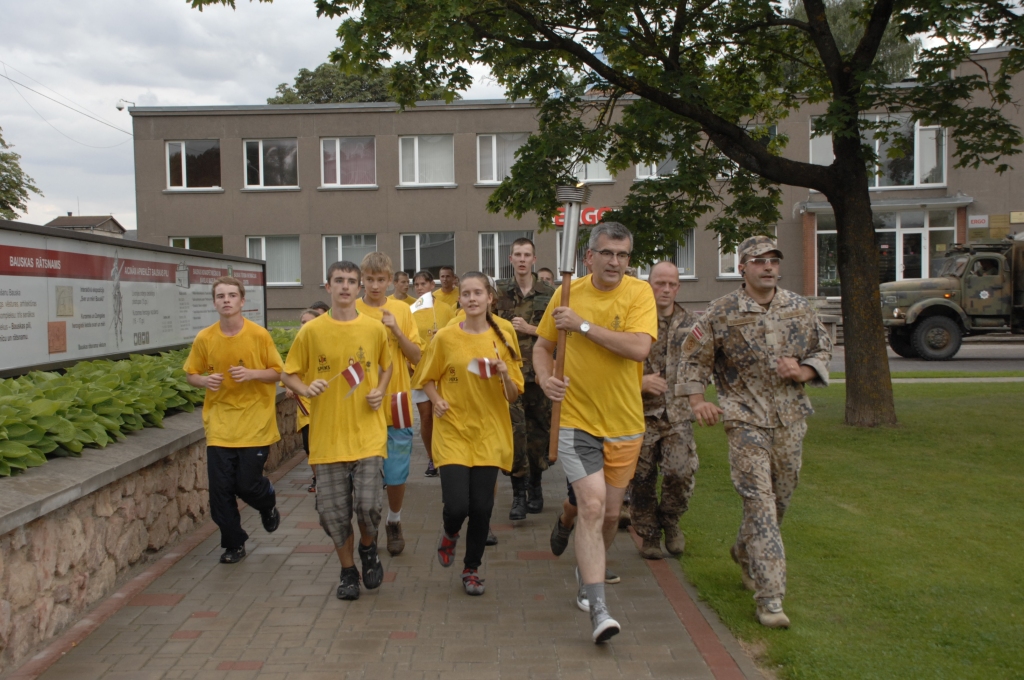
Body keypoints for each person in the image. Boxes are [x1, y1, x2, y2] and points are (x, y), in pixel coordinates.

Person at [681, 235, 832, 629]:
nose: (768, 267)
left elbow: (823, 347)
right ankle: (770, 599)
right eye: (759, 261)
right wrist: (698, 402)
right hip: (744, 419)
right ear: (742, 267)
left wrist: (804, 370)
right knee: (759, 503)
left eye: (773, 260)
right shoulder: (722, 311)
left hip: (790, 419)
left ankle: (743, 551)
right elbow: (693, 361)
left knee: (780, 499)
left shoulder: (799, 308)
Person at [534, 222, 657, 644]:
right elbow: (541, 346)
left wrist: (583, 326)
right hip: (576, 419)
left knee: (608, 515)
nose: (616, 262)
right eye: (608, 253)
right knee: (591, 503)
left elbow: (639, 348)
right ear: (589, 257)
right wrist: (545, 377)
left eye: (623, 255)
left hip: (624, 423)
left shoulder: (639, 294)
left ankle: (582, 558)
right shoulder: (566, 293)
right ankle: (598, 606)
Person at [281, 260, 393, 601]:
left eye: (351, 281)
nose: (345, 286)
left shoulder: (374, 329)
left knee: (369, 507)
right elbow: (288, 374)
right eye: (338, 281)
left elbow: (386, 367)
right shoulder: (311, 332)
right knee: (333, 514)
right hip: (327, 439)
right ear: (328, 287)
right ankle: (348, 572)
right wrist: (304, 388)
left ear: (359, 288)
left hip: (368, 436)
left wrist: (380, 391)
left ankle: (369, 547)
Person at [414, 272, 524, 596]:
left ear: (490, 297)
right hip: (453, 430)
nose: (472, 299)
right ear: (459, 299)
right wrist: (437, 401)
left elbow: (514, 394)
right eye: (466, 294)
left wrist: (504, 373)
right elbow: (427, 378)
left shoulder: (504, 334)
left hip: (490, 431)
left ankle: (471, 569)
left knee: (481, 508)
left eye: (479, 293)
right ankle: (450, 532)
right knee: (458, 505)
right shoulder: (446, 337)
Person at [184, 276, 284, 564]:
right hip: (219, 423)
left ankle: (267, 502)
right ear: (214, 302)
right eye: (220, 296)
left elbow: (279, 372)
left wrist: (252, 373)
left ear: (242, 301)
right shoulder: (205, 338)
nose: (226, 300)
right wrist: (205, 381)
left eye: (231, 295)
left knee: (247, 485)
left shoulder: (259, 335)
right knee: (220, 491)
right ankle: (233, 543)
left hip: (255, 421)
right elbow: (191, 375)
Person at [357, 252, 424, 557]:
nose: (375, 285)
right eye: (369, 279)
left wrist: (396, 329)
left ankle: (394, 521)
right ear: (362, 279)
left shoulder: (402, 310)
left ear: (390, 280)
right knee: (363, 476)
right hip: (359, 405)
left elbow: (418, 357)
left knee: (396, 473)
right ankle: (366, 531)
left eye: (380, 279)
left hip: (395, 400)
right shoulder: (351, 309)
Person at [632, 262, 700, 559]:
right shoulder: (635, 323)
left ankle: (670, 521)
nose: (666, 289)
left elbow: (702, 365)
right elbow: (614, 368)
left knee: (680, 472)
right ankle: (648, 534)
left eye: (672, 284)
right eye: (660, 283)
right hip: (641, 414)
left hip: (678, 416)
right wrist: (639, 383)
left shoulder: (691, 325)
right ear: (649, 285)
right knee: (642, 478)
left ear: (678, 287)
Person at [494, 238, 555, 519]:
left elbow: (558, 333)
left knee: (539, 434)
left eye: (526, 254)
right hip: (511, 377)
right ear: (510, 259)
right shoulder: (498, 293)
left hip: (540, 375)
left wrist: (532, 329)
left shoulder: (548, 292)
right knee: (515, 434)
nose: (521, 259)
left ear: (534, 258)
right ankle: (518, 494)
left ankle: (536, 486)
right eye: (517, 254)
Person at [410, 269, 456, 477]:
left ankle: (447, 455)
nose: (419, 288)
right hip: (420, 370)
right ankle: (431, 458)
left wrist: (443, 335)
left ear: (431, 286)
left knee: (443, 415)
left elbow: (457, 333)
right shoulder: (411, 310)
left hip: (443, 371)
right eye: (416, 285)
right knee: (426, 416)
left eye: (423, 284)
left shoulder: (446, 309)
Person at [285, 307, 323, 492]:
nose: (306, 326)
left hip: (324, 405)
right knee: (309, 447)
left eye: (310, 322)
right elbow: (289, 374)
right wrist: (292, 389)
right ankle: (317, 478)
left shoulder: (325, 344)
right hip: (306, 405)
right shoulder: (298, 345)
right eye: (303, 322)